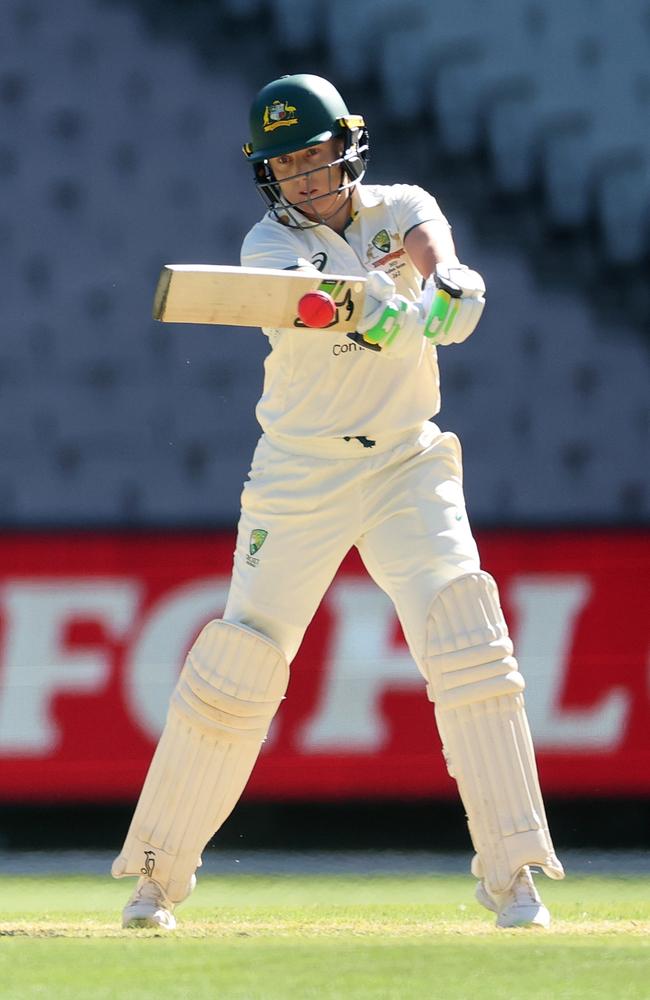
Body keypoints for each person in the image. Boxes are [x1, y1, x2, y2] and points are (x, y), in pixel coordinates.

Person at [112, 73, 564, 930]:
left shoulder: (401, 205)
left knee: (468, 635)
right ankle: (154, 878)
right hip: (300, 474)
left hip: (406, 461)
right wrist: (383, 313)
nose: (306, 184)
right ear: (267, 177)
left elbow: (435, 253)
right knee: (238, 663)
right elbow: (333, 306)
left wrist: (453, 286)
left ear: (348, 150)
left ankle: (516, 876)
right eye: (287, 170)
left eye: (317, 161)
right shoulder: (264, 247)